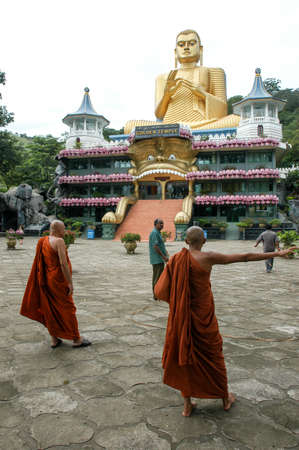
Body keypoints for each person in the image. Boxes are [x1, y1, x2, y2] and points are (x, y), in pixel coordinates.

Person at [154, 226, 295, 417]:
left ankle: (187, 405)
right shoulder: (208, 257)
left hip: (184, 318)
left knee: (184, 356)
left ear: (186, 242)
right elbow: (245, 256)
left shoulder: (176, 260)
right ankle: (224, 398)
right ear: (204, 241)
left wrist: (179, 300)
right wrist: (278, 253)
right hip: (204, 318)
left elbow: (159, 290)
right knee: (213, 356)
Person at [124, 29, 239, 133]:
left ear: (200, 49)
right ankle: (178, 130)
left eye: (192, 43)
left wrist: (203, 95)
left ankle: (180, 131)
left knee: (236, 120)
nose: (186, 47)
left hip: (201, 124)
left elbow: (222, 112)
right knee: (130, 126)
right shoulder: (162, 77)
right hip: (169, 125)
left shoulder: (215, 72)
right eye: (181, 44)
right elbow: (159, 115)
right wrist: (166, 95)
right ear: (175, 51)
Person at [20, 220, 91, 349]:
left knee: (49, 309)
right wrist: (69, 282)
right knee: (68, 308)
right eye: (63, 229)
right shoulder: (59, 241)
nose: (64, 231)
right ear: (57, 229)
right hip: (58, 280)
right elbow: (63, 264)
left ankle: (54, 339)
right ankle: (76, 339)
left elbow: (40, 262)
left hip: (46, 279)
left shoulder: (43, 240)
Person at [149, 218, 169, 300]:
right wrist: (163, 256)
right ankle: (156, 294)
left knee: (159, 277)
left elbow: (160, 245)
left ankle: (158, 293)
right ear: (155, 224)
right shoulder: (154, 233)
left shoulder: (158, 233)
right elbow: (155, 246)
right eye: (160, 223)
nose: (162, 225)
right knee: (157, 277)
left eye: (162, 223)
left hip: (160, 259)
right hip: (157, 259)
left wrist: (166, 253)